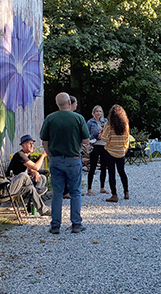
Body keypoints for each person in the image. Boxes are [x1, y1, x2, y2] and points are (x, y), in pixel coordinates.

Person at [41, 92, 90, 234]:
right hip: (73, 159)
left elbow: (44, 140)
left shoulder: (50, 118)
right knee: (75, 192)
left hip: (56, 159)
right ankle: (76, 224)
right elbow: (86, 140)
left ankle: (55, 225)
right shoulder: (78, 118)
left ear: (57, 104)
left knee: (57, 193)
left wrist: (50, 154)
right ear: (69, 102)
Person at [0, 149, 50, 216]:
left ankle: (43, 211)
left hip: (3, 189)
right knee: (23, 175)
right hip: (0, 192)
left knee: (30, 188)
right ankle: (37, 188)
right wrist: (10, 180)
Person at [99, 105, 131, 202]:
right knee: (122, 172)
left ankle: (114, 195)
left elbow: (105, 138)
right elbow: (127, 139)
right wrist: (124, 149)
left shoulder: (108, 125)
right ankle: (126, 192)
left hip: (110, 152)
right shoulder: (125, 125)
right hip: (121, 152)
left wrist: (100, 134)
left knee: (111, 173)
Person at [86, 105, 109, 195]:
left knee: (103, 167)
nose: (98, 113)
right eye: (96, 111)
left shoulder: (105, 121)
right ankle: (89, 189)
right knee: (93, 166)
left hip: (104, 145)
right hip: (95, 145)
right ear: (93, 112)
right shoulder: (90, 122)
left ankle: (102, 187)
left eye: (100, 111)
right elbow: (87, 133)